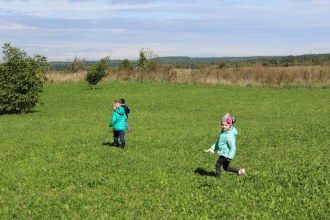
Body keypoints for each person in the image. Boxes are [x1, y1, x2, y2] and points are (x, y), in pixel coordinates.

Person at [205, 113, 245, 177]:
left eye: (226, 125)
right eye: (222, 125)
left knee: (218, 165)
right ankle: (238, 171)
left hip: (225, 154)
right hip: (225, 154)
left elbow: (233, 147)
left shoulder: (229, 135)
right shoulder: (223, 132)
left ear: (230, 125)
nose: (224, 126)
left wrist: (230, 156)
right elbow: (218, 142)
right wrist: (212, 148)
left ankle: (217, 177)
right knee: (225, 168)